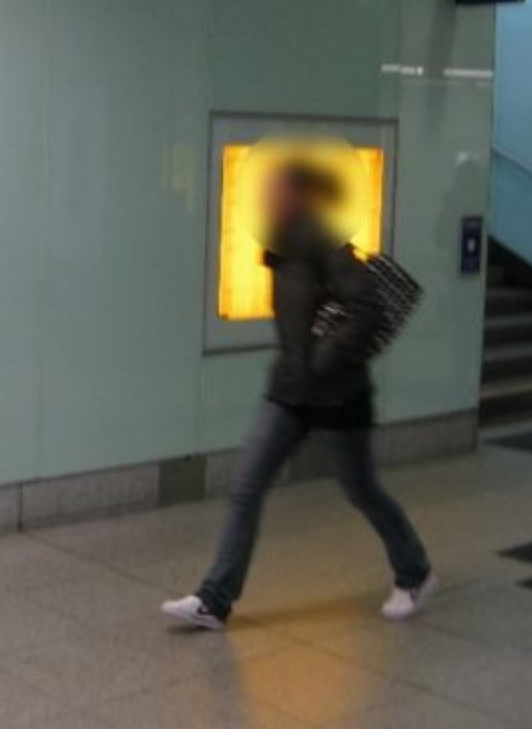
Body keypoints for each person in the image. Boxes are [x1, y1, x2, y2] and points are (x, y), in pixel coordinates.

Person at [162, 158, 435, 630]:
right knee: (246, 486)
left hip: (338, 395)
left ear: (297, 194)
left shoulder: (321, 240)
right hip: (290, 390)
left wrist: (324, 356)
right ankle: (214, 600)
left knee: (363, 490)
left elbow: (367, 306)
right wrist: (301, 364)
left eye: (274, 188)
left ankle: (414, 573)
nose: (265, 196)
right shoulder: (281, 243)